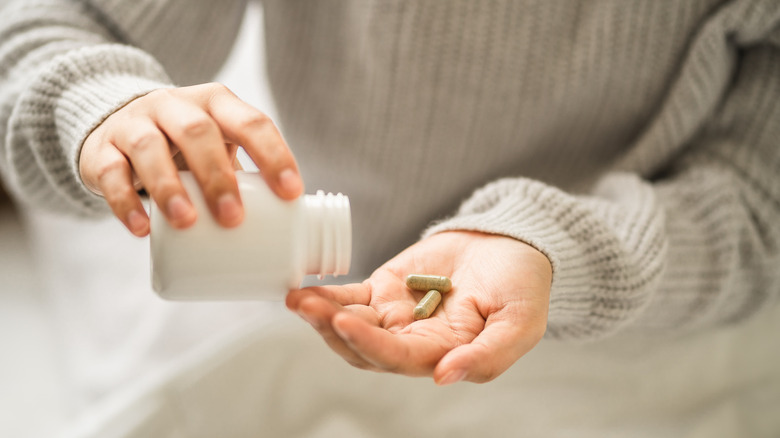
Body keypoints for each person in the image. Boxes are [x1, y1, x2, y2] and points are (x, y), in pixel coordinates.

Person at [1, 0, 778, 433]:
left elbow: (758, 201)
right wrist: (98, 104)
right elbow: (46, 24)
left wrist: (562, 251)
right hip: (340, 266)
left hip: (654, 297)